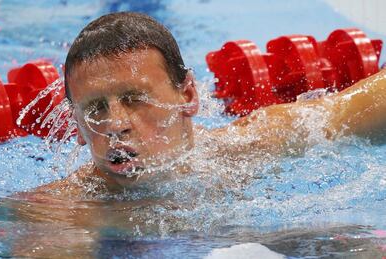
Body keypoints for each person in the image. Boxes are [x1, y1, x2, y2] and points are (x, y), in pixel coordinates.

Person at [30, 11, 386, 197]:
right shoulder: (61, 214)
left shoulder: (255, 144)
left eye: (134, 99)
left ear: (187, 95)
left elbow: (350, 110)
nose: (115, 123)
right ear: (76, 126)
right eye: (95, 108)